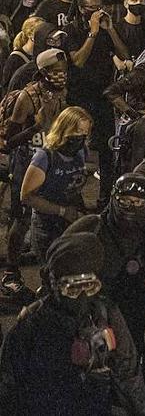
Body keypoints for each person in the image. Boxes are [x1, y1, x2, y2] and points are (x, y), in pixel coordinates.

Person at [0, 232, 145, 416]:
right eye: (73, 289)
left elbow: (128, 371)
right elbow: (9, 392)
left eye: (89, 286)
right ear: (54, 285)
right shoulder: (29, 327)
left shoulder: (104, 313)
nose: (83, 296)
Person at [65, 174, 145, 354]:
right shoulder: (94, 227)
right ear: (114, 199)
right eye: (125, 201)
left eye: (138, 202)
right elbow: (59, 258)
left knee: (133, 352)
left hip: (135, 301)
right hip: (96, 301)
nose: (131, 207)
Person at [0, 48, 69, 301]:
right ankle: (10, 273)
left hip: (51, 160)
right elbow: (9, 141)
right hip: (27, 162)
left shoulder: (61, 92)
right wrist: (37, 127)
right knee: (21, 216)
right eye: (55, 72)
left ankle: (49, 274)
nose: (61, 76)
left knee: (51, 216)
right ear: (42, 72)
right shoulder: (27, 98)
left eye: (63, 71)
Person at [21, 106, 92, 259]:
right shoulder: (45, 157)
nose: (81, 137)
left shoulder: (81, 151)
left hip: (71, 221)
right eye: (78, 131)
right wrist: (62, 211)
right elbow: (27, 196)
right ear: (64, 129)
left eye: (85, 133)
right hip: (47, 225)